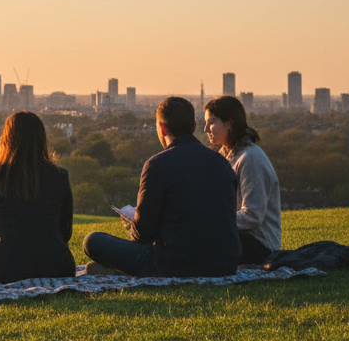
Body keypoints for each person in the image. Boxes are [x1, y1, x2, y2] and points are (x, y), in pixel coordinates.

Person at [83, 97, 241, 278]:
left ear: (162, 128)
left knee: (93, 241)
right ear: (194, 126)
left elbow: (144, 235)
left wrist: (134, 221)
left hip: (174, 264)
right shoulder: (221, 163)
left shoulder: (157, 165)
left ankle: (119, 271)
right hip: (224, 263)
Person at [0, 111, 75, 283]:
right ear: (41, 140)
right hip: (57, 268)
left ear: (7, 139)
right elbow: (65, 232)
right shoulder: (60, 176)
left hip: (1, 270)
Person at [204, 95, 281, 265]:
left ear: (229, 124)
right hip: (238, 236)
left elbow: (252, 216)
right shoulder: (227, 155)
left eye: (211, 122)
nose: (206, 129)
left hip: (260, 245)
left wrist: (212, 222)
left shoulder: (250, 159)